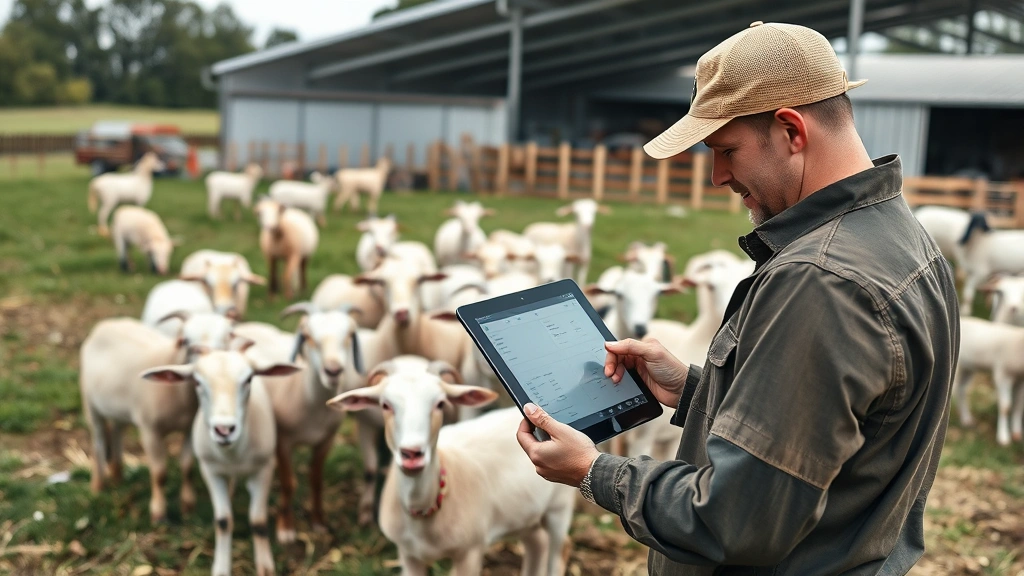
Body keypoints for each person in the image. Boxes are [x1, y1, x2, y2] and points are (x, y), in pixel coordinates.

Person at [515, 21, 960, 575]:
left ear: (792, 130)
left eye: (727, 150)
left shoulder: (822, 280)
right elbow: (837, 428)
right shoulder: (902, 240)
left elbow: (736, 520)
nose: (717, 175)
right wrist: (698, 390)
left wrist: (592, 470)